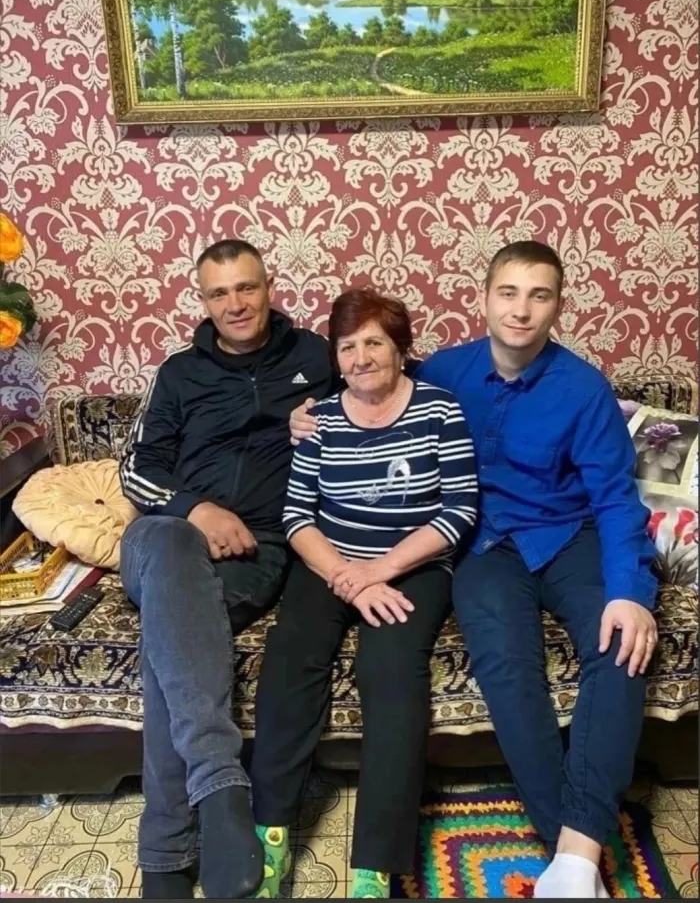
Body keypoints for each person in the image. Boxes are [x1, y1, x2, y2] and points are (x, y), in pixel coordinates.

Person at [290, 241, 659, 901]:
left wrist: (631, 592)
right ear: (484, 299)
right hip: (484, 547)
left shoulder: (584, 389)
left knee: (622, 645)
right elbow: (370, 372)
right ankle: (574, 861)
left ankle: (575, 855)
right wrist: (308, 411)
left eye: (539, 295)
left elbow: (614, 498)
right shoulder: (445, 372)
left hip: (566, 536)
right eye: (508, 293)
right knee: (506, 667)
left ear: (558, 306)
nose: (521, 310)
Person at [119, 239, 334, 901]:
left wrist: (328, 425)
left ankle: (165, 851)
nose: (235, 303)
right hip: (164, 538)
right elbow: (135, 470)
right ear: (203, 301)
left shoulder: (317, 359)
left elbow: (386, 392)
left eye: (246, 287)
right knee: (171, 553)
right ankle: (219, 782)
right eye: (219, 293)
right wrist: (197, 508)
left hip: (257, 551)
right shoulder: (179, 373)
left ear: (269, 287)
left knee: (171, 642)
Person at [250, 288, 479, 899]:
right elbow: (297, 516)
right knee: (291, 653)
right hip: (330, 562)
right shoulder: (319, 419)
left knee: (391, 667)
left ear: (400, 348)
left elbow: (460, 509)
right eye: (347, 347)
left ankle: (375, 866)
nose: (360, 358)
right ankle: (270, 834)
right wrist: (345, 575)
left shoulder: (439, 410)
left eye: (374, 342)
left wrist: (380, 570)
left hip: (413, 565)